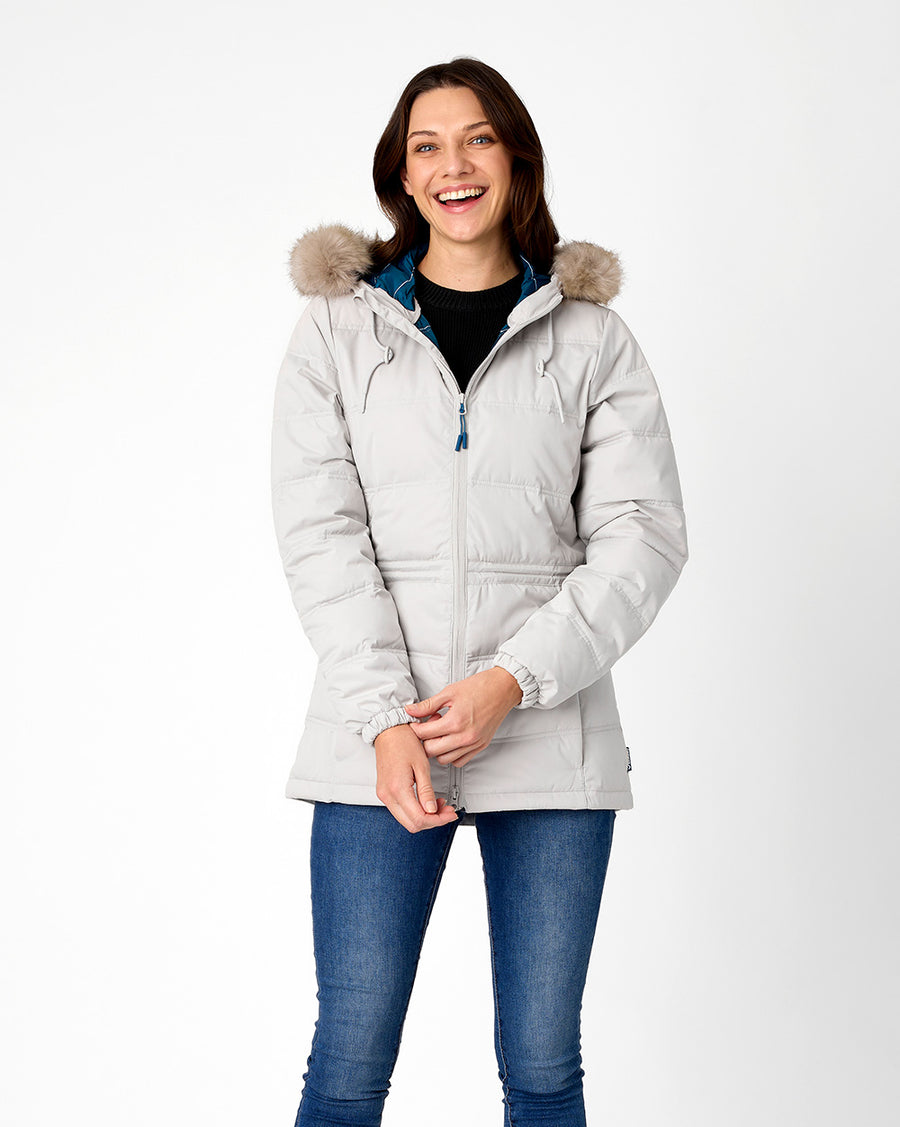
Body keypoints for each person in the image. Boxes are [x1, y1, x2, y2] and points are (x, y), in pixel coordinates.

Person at [271, 56, 688, 1127]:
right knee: (349, 1062)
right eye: (427, 146)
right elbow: (322, 536)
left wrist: (513, 679)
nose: (453, 165)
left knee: (544, 1068)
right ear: (401, 176)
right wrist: (384, 718)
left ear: (516, 159)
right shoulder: (337, 331)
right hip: (380, 738)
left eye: (477, 139)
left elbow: (641, 539)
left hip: (550, 732)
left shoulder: (592, 337)